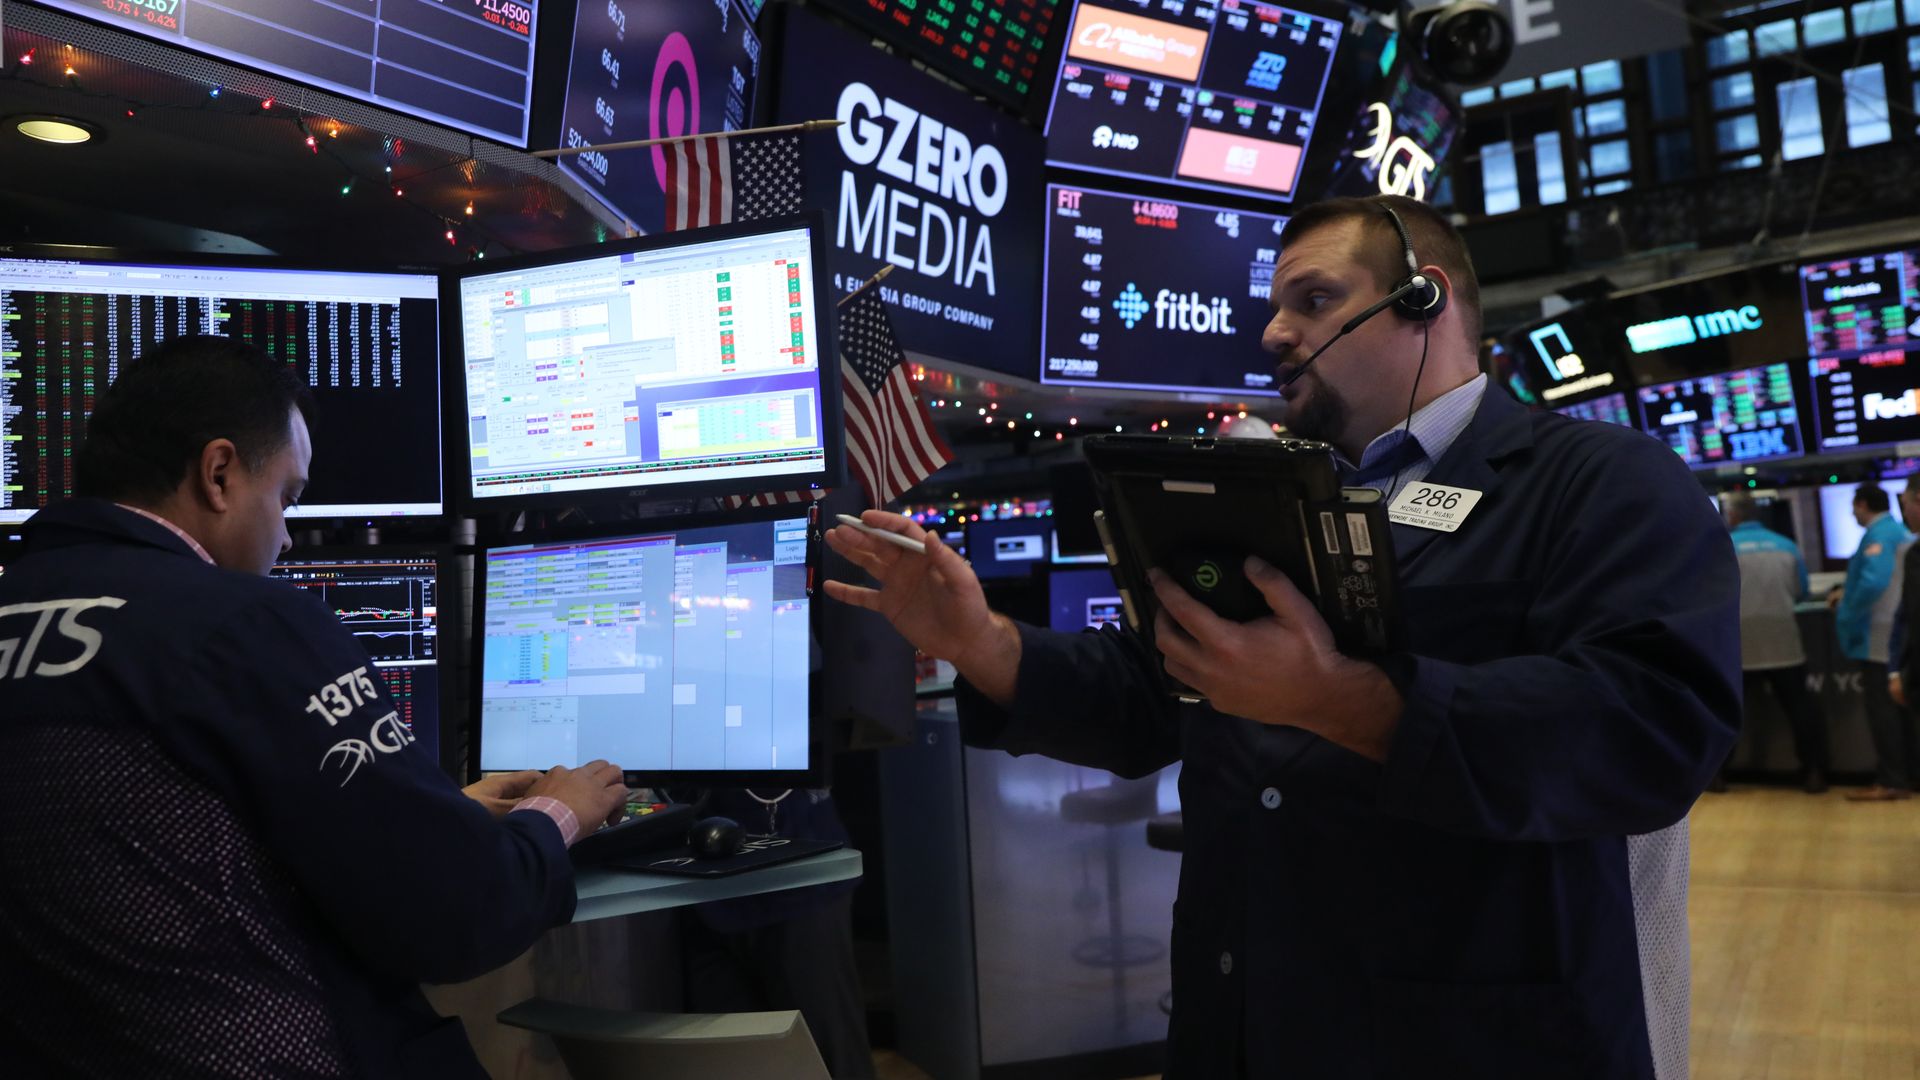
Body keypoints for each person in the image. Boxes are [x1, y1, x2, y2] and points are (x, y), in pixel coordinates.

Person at [826, 196, 1739, 1079]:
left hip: (1469, 1034)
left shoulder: (1597, 481)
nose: (1273, 333)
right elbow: (1154, 690)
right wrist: (980, 638)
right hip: (1248, 1023)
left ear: (1424, 299)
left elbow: (1653, 727)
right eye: (1274, 308)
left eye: (1314, 301)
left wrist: (1340, 700)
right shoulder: (1270, 496)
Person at [0, 336, 629, 1076]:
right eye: (287, 497)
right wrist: (558, 813)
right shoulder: (239, 623)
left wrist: (432, 811)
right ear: (220, 472)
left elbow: (168, 847)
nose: (289, 535)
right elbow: (458, 913)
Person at [1720, 490, 1828, 792]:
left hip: (1740, 646)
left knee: (1727, 711)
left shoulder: (1724, 547)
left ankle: (1717, 774)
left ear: (1733, 516)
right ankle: (1814, 771)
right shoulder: (1787, 546)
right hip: (1783, 642)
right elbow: (1801, 591)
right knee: (1799, 710)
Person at [1829, 482, 1913, 801]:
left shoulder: (1879, 536)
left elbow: (1874, 581)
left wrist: (1847, 607)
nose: (1851, 512)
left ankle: (1892, 780)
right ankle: (1907, 775)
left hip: (1878, 635)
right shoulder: (1899, 532)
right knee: (1900, 709)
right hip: (1897, 634)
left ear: (1862, 504)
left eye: (1853, 506)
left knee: (1884, 711)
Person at [1873, 481, 1920, 800]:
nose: (1904, 513)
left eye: (1906, 504)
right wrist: (1895, 671)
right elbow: (1906, 616)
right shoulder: (1914, 553)